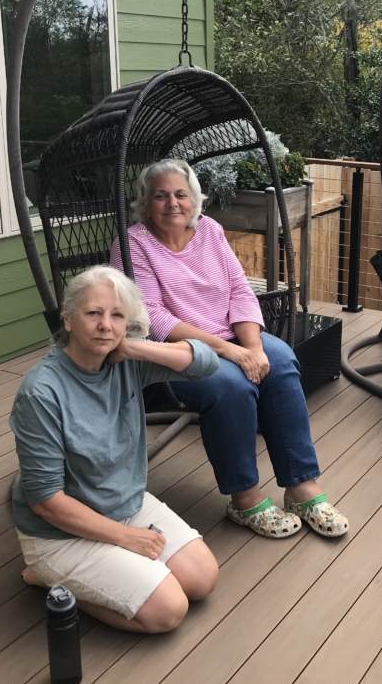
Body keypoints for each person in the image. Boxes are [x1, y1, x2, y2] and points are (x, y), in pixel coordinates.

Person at [110, 159, 349, 540]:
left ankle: (302, 486)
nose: (173, 203)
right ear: (145, 202)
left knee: (281, 359)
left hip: (230, 333)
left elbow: (239, 289)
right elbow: (151, 316)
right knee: (229, 385)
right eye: (161, 195)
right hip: (178, 349)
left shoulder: (210, 230)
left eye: (180, 194)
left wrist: (252, 347)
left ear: (194, 199)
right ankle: (244, 498)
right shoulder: (132, 244)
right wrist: (230, 351)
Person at [10, 266, 221, 633]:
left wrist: (135, 348)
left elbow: (206, 364)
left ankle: (111, 567)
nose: (105, 324)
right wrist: (127, 539)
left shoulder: (126, 365)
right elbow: (46, 501)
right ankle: (48, 576)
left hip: (124, 503)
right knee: (168, 610)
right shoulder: (41, 393)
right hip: (60, 533)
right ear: (69, 319)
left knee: (202, 579)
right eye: (94, 313)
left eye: (117, 315)